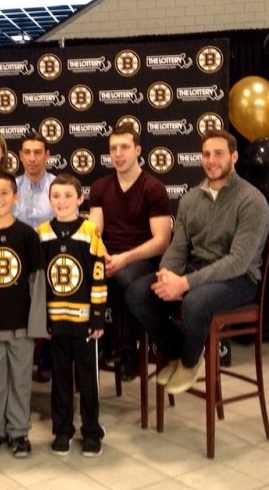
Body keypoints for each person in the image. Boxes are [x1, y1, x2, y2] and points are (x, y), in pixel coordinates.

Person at [126, 129, 269, 394]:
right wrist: (166, 275)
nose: (211, 160)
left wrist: (184, 283)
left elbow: (238, 261)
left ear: (234, 157)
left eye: (219, 154)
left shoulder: (252, 201)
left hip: (239, 279)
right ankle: (179, 352)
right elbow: (178, 247)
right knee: (138, 293)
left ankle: (191, 361)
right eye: (206, 154)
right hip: (196, 270)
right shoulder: (191, 198)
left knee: (194, 302)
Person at [0, 171, 48, 458]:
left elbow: (38, 282)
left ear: (16, 197)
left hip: (22, 325)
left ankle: (18, 432)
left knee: (21, 380)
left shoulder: (27, 235)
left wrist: (36, 323)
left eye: (5, 193)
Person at [88, 124, 172, 381]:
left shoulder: (153, 187)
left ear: (138, 150)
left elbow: (161, 241)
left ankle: (127, 351)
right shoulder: (101, 187)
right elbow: (94, 230)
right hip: (110, 259)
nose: (118, 153)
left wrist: (124, 258)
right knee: (86, 273)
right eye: (113, 148)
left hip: (143, 261)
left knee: (126, 278)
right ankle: (98, 344)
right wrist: (103, 254)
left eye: (124, 147)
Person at [37, 174, 107, 457]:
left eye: (68, 196)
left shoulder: (90, 231)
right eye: (56, 196)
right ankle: (62, 429)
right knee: (60, 377)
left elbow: (99, 275)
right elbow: (40, 280)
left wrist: (98, 317)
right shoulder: (42, 232)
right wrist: (43, 319)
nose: (62, 202)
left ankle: (91, 430)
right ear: (49, 200)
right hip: (56, 321)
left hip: (84, 321)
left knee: (88, 379)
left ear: (80, 199)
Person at [13, 131, 56, 382]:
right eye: (27, 152)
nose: (32, 158)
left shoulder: (58, 187)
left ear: (47, 155)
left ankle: (47, 361)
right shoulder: (11, 188)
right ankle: (18, 360)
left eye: (38, 152)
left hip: (50, 259)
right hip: (18, 261)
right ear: (20, 155)